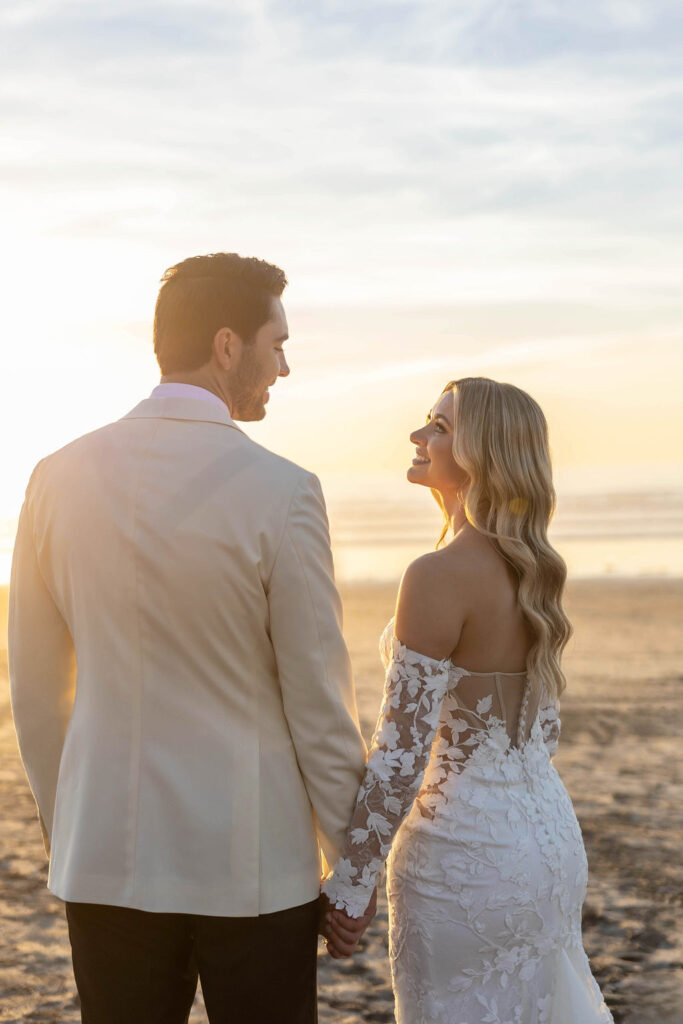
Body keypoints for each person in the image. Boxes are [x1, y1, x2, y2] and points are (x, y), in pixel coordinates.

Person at [9, 252, 371, 1024]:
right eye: (277, 343)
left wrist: (68, 826)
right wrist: (352, 862)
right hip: (252, 866)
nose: (285, 365)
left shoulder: (52, 476)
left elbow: (38, 695)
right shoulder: (283, 490)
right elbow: (317, 702)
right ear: (227, 345)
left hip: (102, 855)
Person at [322, 378, 614, 1022]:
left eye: (440, 426)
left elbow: (399, 756)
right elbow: (534, 733)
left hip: (463, 858)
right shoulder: (533, 568)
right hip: (548, 846)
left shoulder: (437, 576)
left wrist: (351, 882)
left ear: (482, 454)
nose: (418, 435)